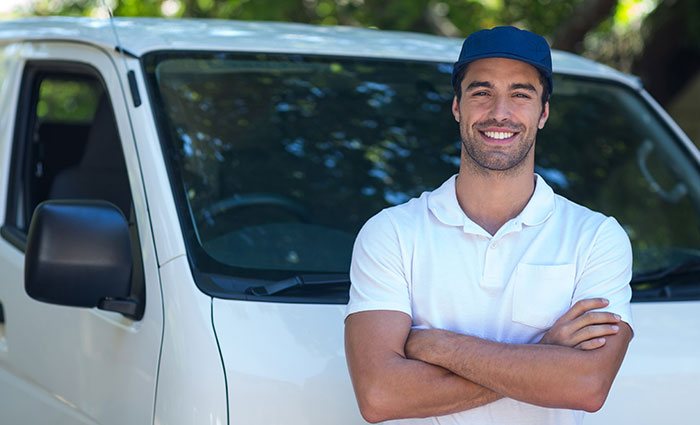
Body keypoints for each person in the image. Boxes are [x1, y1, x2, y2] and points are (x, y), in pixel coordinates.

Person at [344, 26, 633, 425]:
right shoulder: (392, 233)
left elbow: (587, 385)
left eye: (520, 94)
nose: (500, 112)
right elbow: (380, 395)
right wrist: (544, 353)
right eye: (481, 92)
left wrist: (435, 344)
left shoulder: (596, 237)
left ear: (543, 113)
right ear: (457, 107)